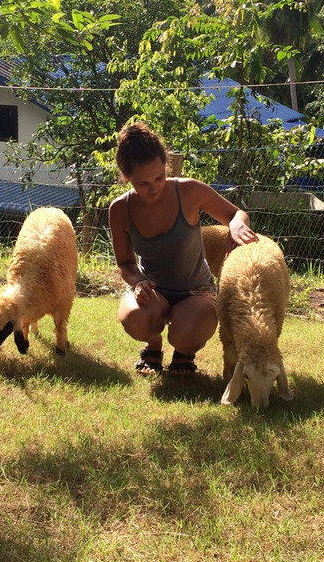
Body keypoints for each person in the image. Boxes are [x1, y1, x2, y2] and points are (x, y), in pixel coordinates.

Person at [108, 122, 257, 376]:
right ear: (126, 177)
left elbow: (235, 214)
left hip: (195, 291)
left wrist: (236, 227)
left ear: (166, 164)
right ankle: (152, 344)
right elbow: (125, 264)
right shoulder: (120, 209)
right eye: (143, 183)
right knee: (134, 318)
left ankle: (184, 352)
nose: (154, 186)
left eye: (159, 177)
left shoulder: (188, 190)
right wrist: (138, 282)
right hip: (153, 292)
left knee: (191, 330)